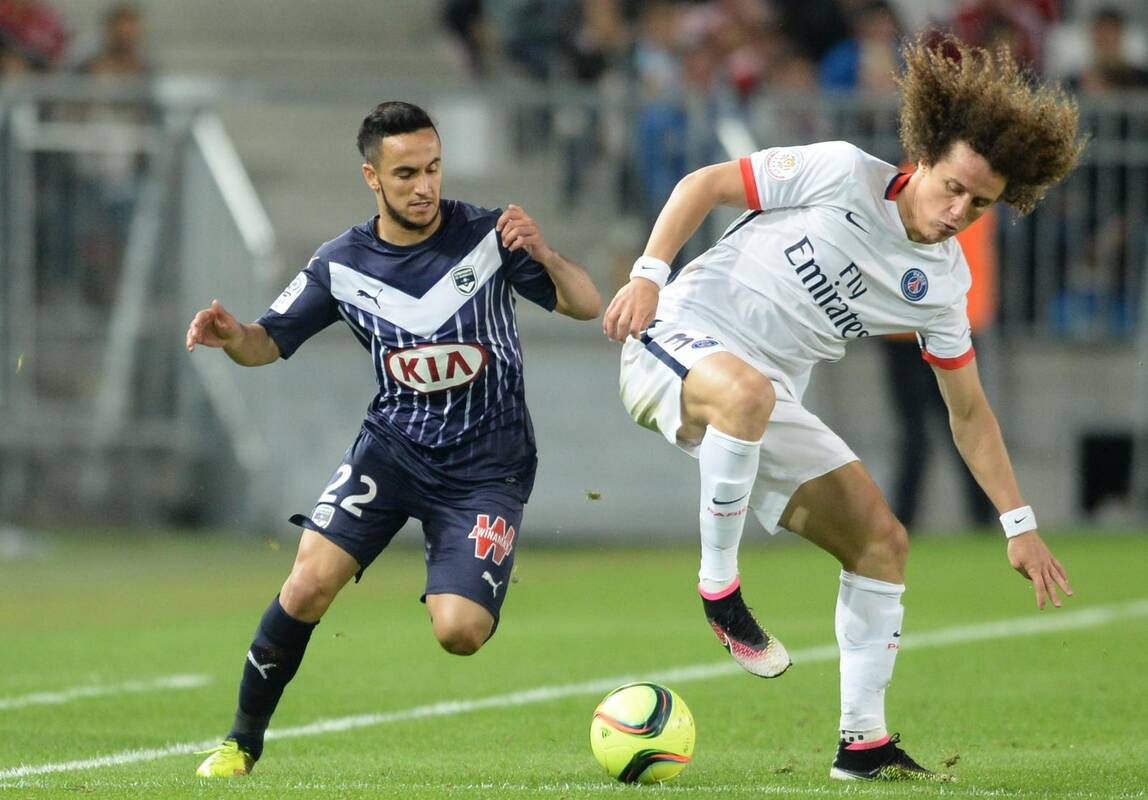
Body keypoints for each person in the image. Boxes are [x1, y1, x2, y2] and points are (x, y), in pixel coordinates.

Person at [603, 34, 1080, 781]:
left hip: (759, 398)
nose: (959, 211)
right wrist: (647, 275)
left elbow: (969, 414)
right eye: (953, 187)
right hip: (674, 337)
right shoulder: (841, 172)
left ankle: (863, 745)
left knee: (882, 542)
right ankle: (719, 588)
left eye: (981, 203)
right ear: (923, 157)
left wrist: (1019, 525)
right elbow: (704, 183)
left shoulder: (942, 287)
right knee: (749, 393)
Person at [187, 101, 601, 778]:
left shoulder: (489, 237)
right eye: (406, 173)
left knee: (460, 633)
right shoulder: (340, 264)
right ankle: (240, 743)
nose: (424, 186)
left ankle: (459, 564)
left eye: (433, 168)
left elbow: (587, 304)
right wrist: (233, 337)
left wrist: (545, 252)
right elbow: (265, 344)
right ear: (372, 178)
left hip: (487, 466)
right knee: (306, 584)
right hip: (393, 451)